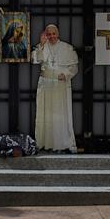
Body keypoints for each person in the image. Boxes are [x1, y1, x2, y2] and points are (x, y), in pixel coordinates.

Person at [31, 24, 78, 153]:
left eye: (53, 34)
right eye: (49, 34)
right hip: (46, 85)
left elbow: (74, 67)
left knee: (60, 115)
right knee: (45, 115)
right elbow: (35, 60)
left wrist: (67, 74)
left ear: (58, 34)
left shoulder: (67, 48)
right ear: (45, 35)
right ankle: (44, 143)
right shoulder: (42, 46)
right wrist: (41, 45)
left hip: (60, 86)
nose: (51, 37)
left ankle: (62, 143)